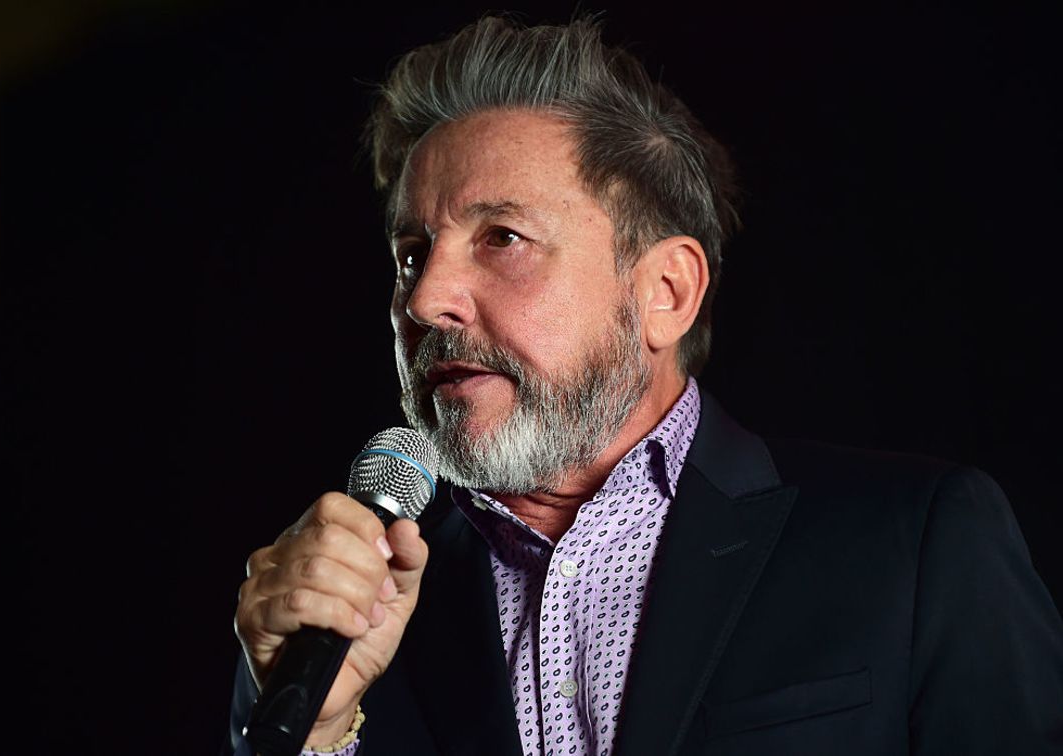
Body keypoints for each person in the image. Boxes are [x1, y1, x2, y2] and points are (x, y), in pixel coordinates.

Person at [223, 16, 1063, 756]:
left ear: (665, 292)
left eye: (502, 237)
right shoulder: (349, 618)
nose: (425, 299)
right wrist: (319, 734)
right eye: (412, 255)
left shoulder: (914, 547)